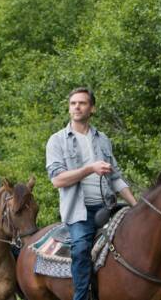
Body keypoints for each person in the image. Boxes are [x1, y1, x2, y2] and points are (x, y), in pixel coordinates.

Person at [46, 87, 137, 300]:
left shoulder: (102, 139)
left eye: (82, 103)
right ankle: (81, 296)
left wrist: (136, 205)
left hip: (108, 206)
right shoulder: (57, 140)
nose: (77, 107)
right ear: (69, 108)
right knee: (80, 249)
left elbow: (116, 177)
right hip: (80, 211)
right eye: (73, 103)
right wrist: (89, 169)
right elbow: (57, 180)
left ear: (92, 108)